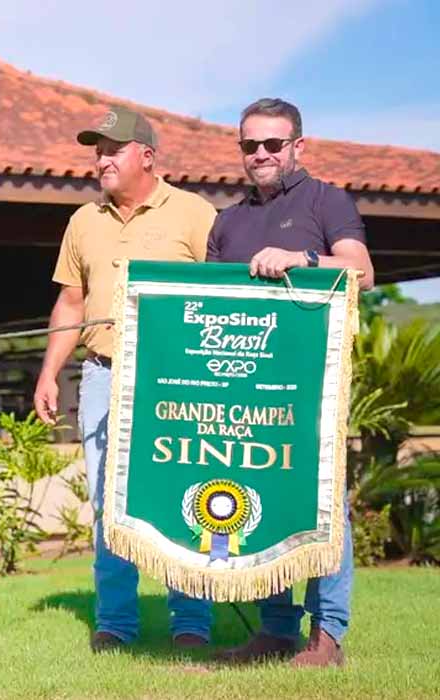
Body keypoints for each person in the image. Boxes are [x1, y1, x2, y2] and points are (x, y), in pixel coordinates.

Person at [33, 104, 218, 652]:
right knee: (107, 503)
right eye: (98, 152)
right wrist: (49, 373)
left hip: (179, 384)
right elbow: (71, 302)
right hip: (101, 377)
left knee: (187, 496)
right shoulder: (83, 221)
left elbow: (224, 297)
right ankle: (115, 624)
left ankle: (192, 623)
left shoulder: (194, 213)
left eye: (113, 150)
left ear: (147, 156)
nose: (102, 161)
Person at [208, 97, 375, 668]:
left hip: (312, 385)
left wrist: (301, 257)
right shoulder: (226, 221)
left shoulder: (327, 200)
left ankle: (327, 636)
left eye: (273, 144)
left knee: (323, 502)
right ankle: (276, 630)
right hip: (243, 390)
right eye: (250, 144)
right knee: (259, 498)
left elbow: (361, 270)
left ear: (297, 146)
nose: (260, 153)